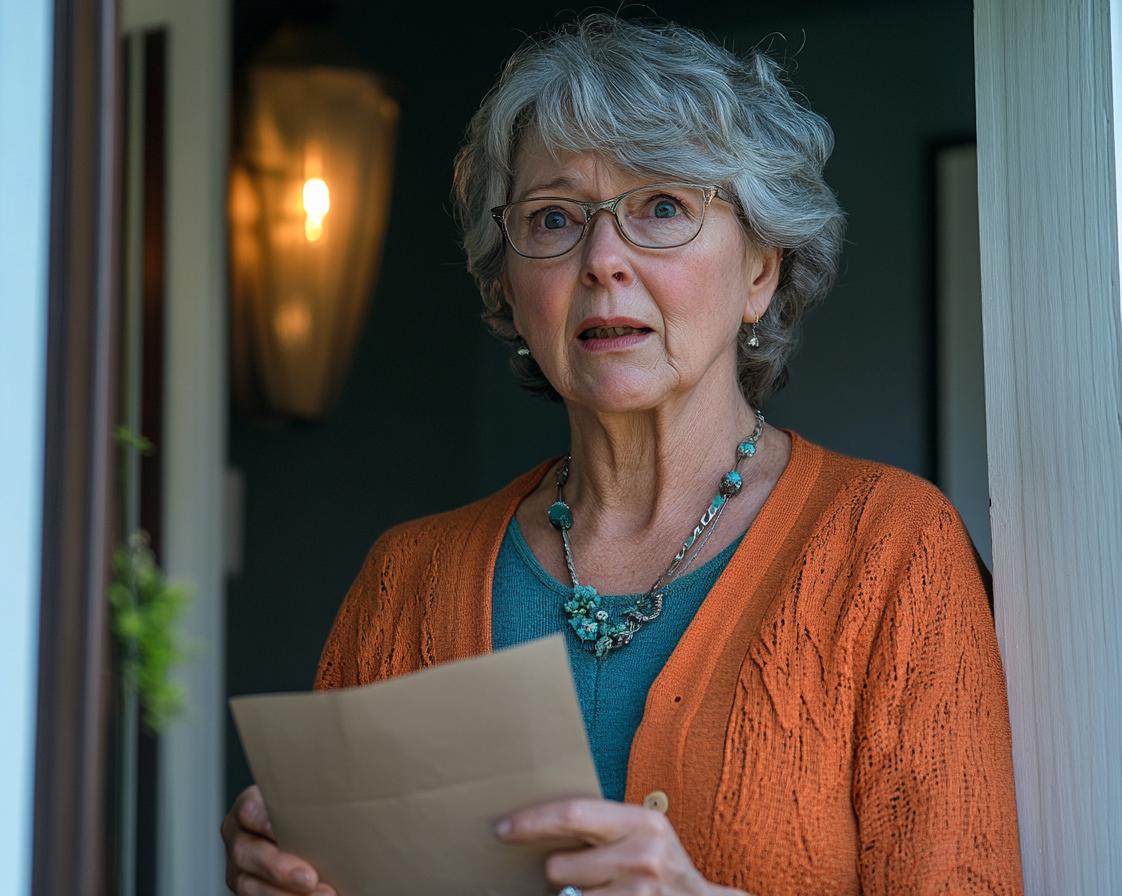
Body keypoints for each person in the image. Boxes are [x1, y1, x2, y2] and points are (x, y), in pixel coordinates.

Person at [222, 15, 1023, 896]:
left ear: (761, 269)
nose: (603, 259)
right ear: (509, 284)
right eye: (555, 218)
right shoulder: (405, 580)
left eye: (663, 208)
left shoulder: (894, 552)